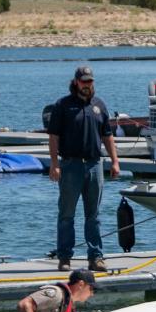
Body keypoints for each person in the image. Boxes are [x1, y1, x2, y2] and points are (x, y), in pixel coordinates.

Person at [46, 65, 120, 272]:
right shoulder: (63, 105)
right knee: (67, 213)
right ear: (76, 82)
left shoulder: (99, 105)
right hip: (70, 165)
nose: (87, 85)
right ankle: (65, 257)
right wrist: (54, 163)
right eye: (84, 81)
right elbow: (53, 136)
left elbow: (107, 135)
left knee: (93, 215)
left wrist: (115, 161)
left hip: (95, 164)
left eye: (90, 81)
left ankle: (96, 257)